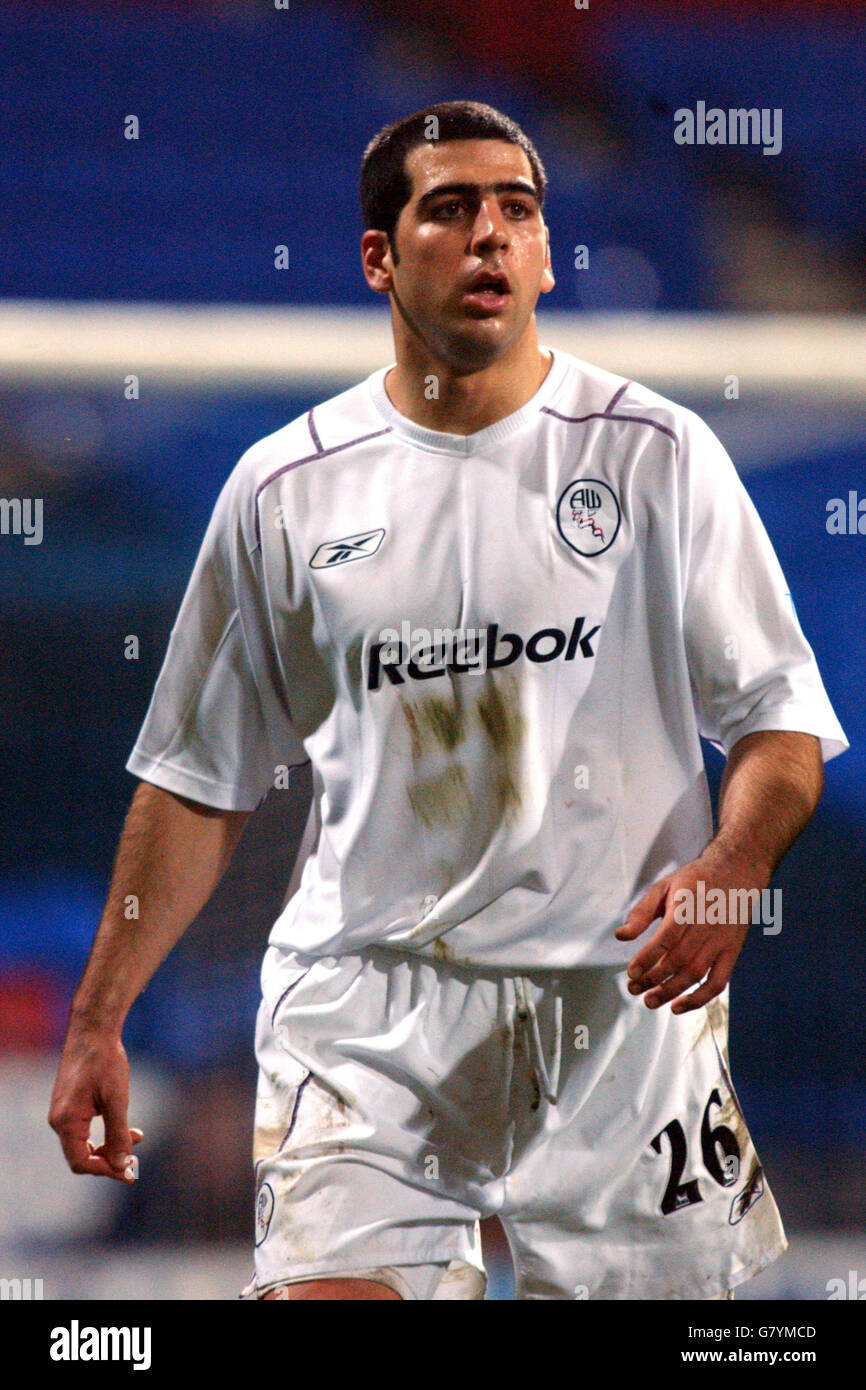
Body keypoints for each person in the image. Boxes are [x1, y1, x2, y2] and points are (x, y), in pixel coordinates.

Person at [49, 101, 848, 1301]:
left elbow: (781, 728)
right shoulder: (284, 490)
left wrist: (731, 866)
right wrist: (97, 1018)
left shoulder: (655, 455)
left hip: (615, 1014)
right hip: (366, 1011)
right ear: (379, 255)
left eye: (515, 211)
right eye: (450, 208)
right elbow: (195, 781)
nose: (489, 236)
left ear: (539, 254)